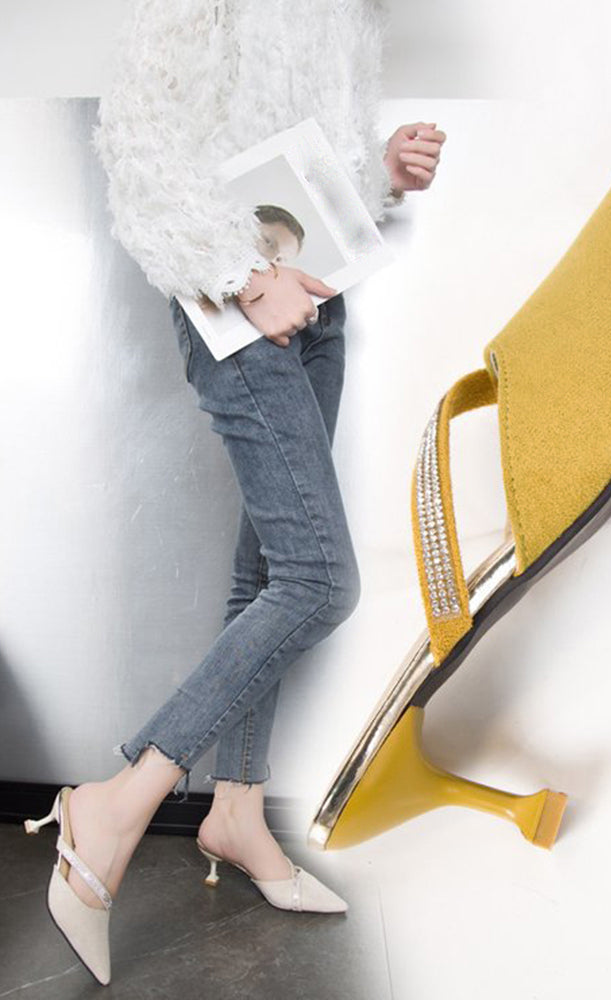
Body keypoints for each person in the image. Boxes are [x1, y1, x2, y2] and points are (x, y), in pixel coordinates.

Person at [33, 0, 445, 980]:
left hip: (318, 301)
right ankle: (117, 803)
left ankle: (236, 808)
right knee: (318, 580)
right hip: (234, 303)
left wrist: (378, 174)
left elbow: (300, 159)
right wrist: (244, 276)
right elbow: (140, 146)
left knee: (268, 569)